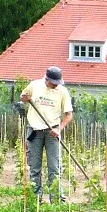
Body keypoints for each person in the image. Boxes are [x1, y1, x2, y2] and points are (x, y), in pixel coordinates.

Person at [20, 66, 73, 203]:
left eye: (58, 83)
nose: (56, 85)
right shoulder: (34, 85)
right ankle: (35, 199)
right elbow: (23, 97)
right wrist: (24, 98)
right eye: (53, 83)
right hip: (35, 131)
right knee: (34, 166)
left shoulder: (62, 91)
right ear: (46, 79)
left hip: (52, 132)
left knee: (54, 168)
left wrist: (59, 129)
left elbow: (68, 115)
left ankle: (56, 200)